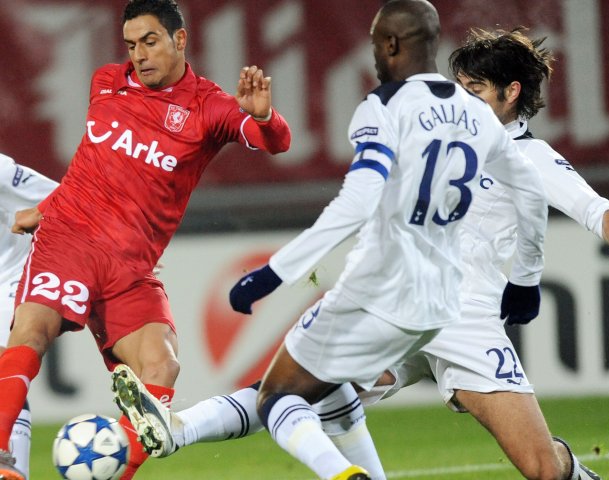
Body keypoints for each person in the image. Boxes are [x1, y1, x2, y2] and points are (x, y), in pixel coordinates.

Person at [114, 1, 549, 479]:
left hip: (380, 289)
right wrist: (525, 282)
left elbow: (354, 205)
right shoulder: (476, 114)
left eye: (374, 43)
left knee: (280, 394)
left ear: (391, 45)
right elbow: (529, 190)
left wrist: (270, 275)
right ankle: (180, 430)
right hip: (443, 301)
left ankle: (337, 474)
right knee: (330, 388)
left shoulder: (383, 107)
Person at [0, 0, 291, 478]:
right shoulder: (107, 82)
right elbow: (92, 166)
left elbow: (277, 143)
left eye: (150, 41)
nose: (139, 54)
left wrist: (264, 119)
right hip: (69, 240)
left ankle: (115, 469)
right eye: (131, 45)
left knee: (161, 368)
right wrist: (47, 211)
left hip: (130, 264)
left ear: (180, 39)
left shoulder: (210, 108)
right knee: (31, 333)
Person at [354, 27, 609, 480]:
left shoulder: (531, 158)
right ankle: (199, 427)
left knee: (543, 468)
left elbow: (597, 209)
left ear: (511, 93)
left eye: (476, 89)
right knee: (313, 387)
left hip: (463, 319)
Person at [0, 154, 58, 479]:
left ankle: (12, 469)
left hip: (8, 277)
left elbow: (70, 198)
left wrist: (118, 243)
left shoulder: (1, 171)